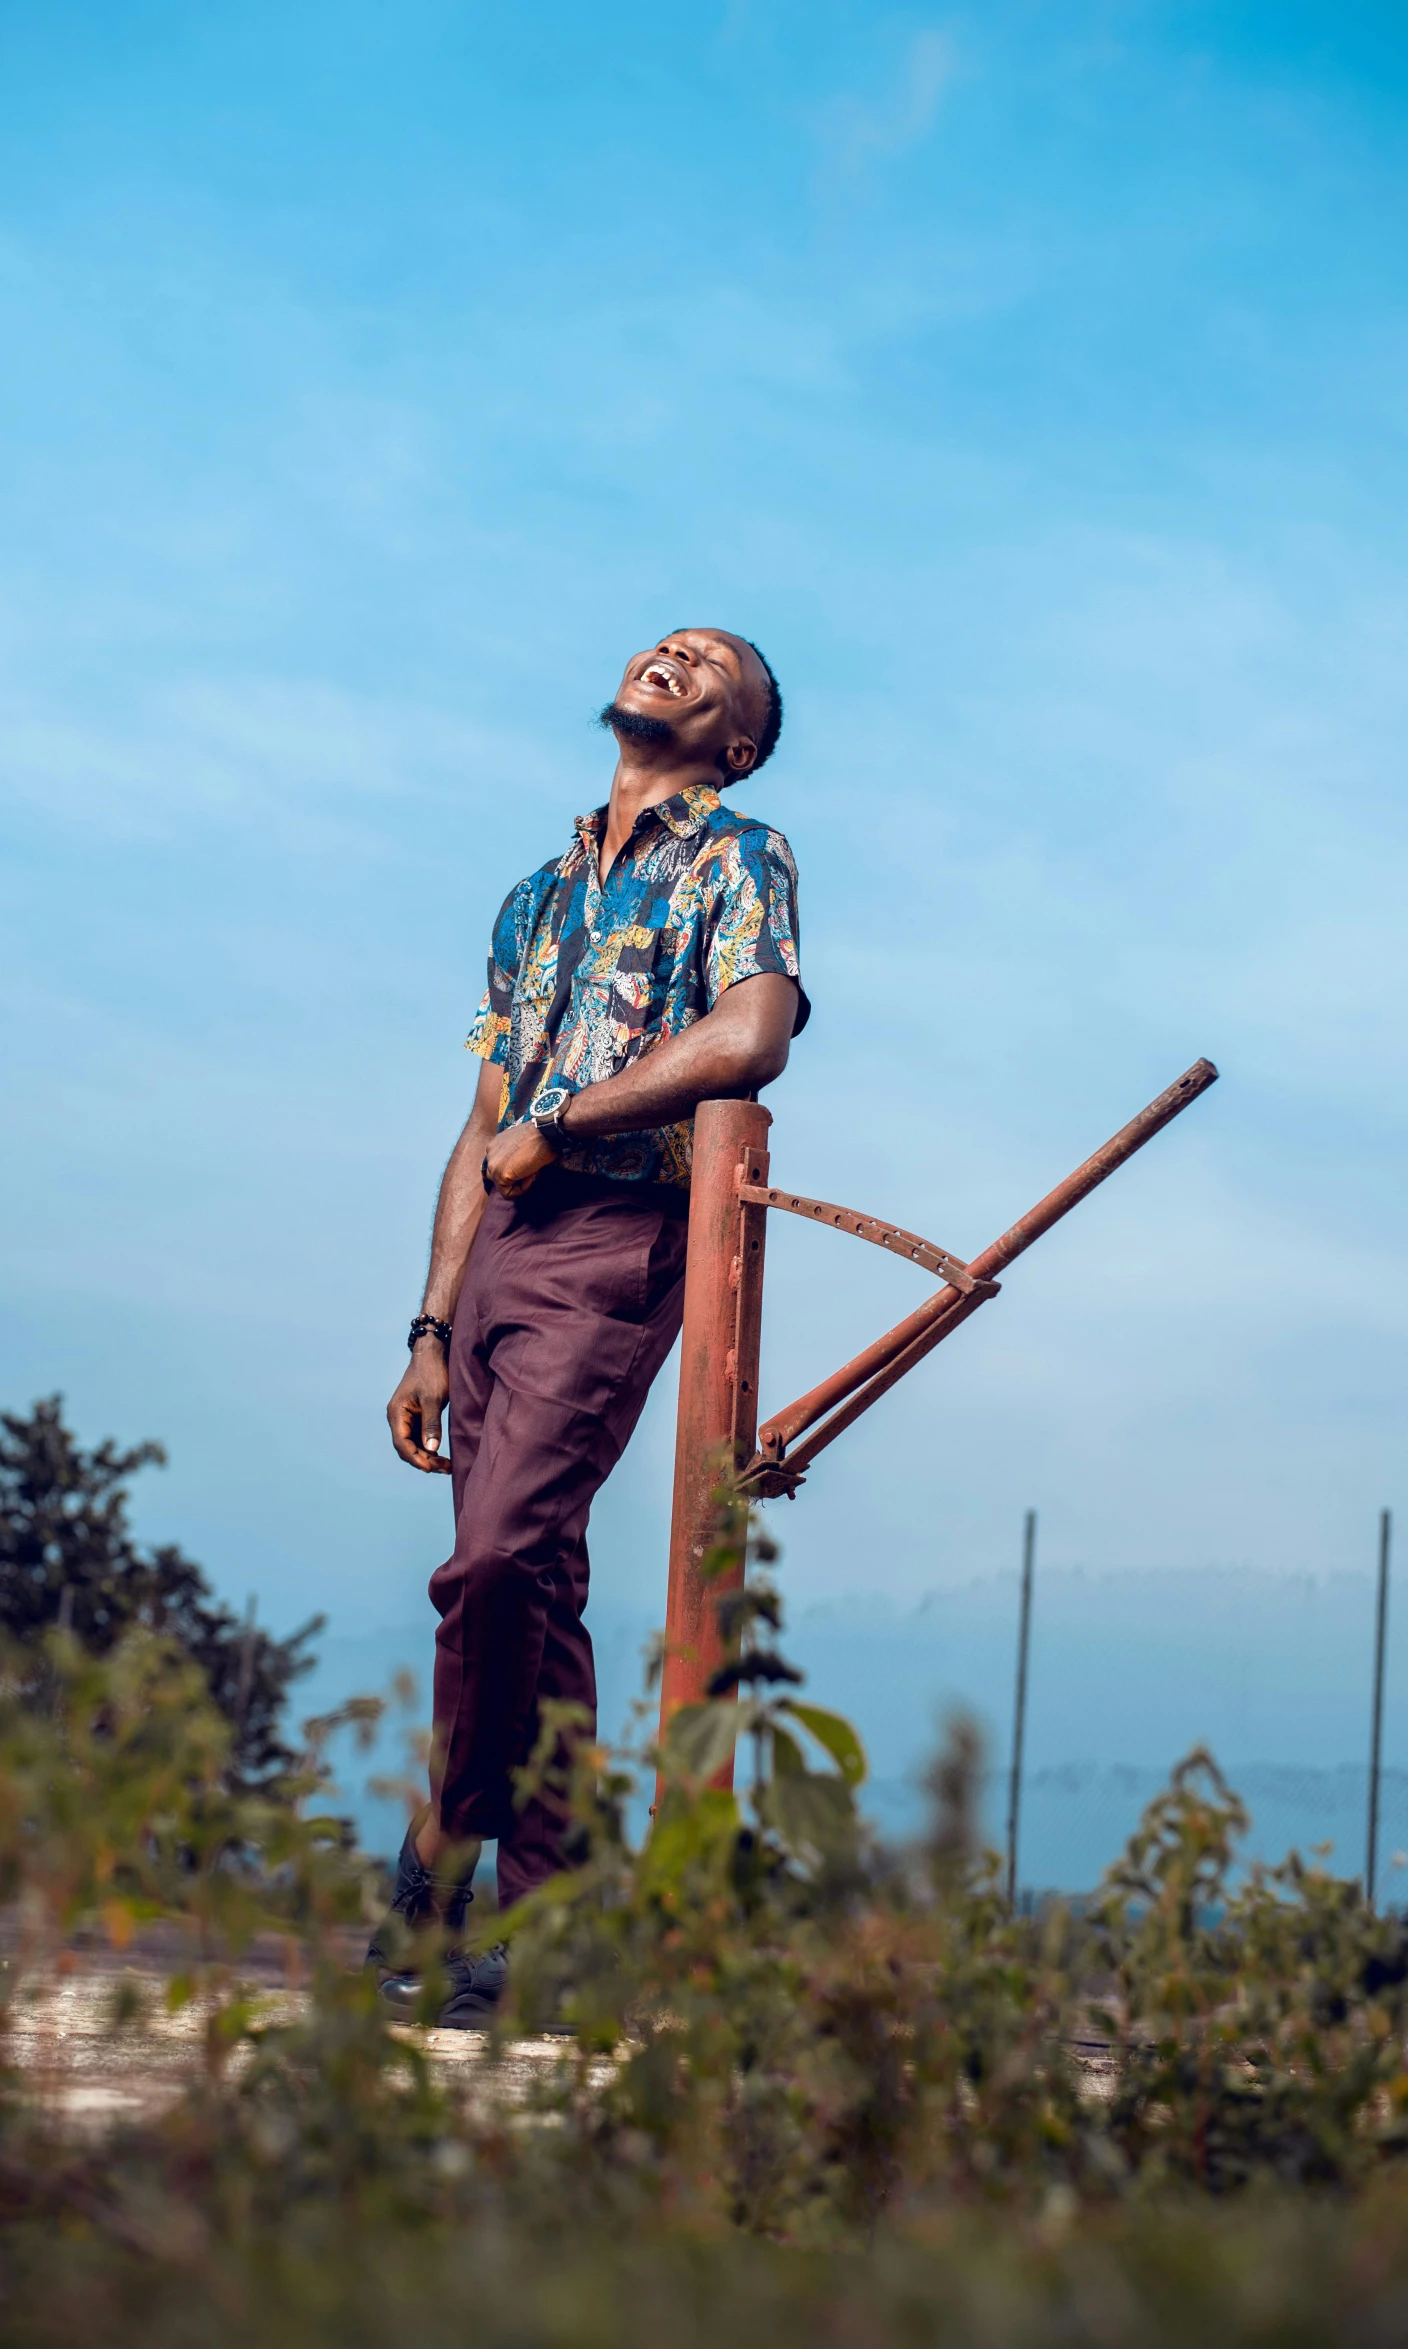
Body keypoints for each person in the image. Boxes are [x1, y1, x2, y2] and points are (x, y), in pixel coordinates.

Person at [377, 627, 807, 2023]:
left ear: (733, 742)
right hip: (495, 1259)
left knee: (496, 1565)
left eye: (710, 665)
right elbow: (478, 1121)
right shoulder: (528, 901)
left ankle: (440, 1846)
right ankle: (549, 1932)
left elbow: (748, 1039)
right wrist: (430, 1323)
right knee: (539, 1585)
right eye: (663, 643)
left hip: (616, 1241)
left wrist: (567, 1124)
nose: (672, 657)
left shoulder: (740, 857)